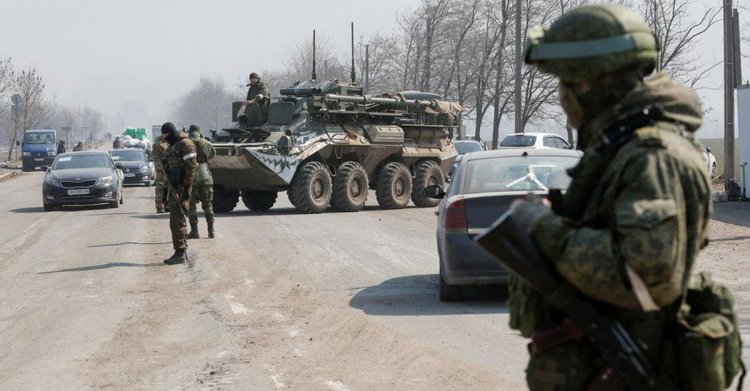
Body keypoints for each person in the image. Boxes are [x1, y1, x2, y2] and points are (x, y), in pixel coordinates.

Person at [507, 4, 712, 390]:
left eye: (565, 83)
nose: (562, 96)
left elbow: (644, 277)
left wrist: (544, 226)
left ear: (588, 83)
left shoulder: (651, 156)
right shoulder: (622, 149)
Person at [160, 122, 197, 265]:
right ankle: (179, 250)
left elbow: (191, 167)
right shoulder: (172, 146)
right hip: (173, 187)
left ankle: (180, 252)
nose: (165, 138)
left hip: (181, 188)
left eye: (166, 135)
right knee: (175, 221)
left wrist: (186, 188)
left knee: (178, 220)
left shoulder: (185, 144)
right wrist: (165, 193)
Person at [186, 125, 216, 239]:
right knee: (208, 204)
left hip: (191, 176)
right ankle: (211, 230)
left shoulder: (186, 143)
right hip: (205, 176)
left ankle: (194, 231)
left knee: (191, 205)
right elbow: (213, 153)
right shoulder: (206, 143)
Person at [151, 134, 170, 213]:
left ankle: (164, 206)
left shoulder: (160, 144)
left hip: (164, 170)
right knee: (162, 188)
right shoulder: (160, 144)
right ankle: (162, 206)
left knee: (164, 188)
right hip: (162, 170)